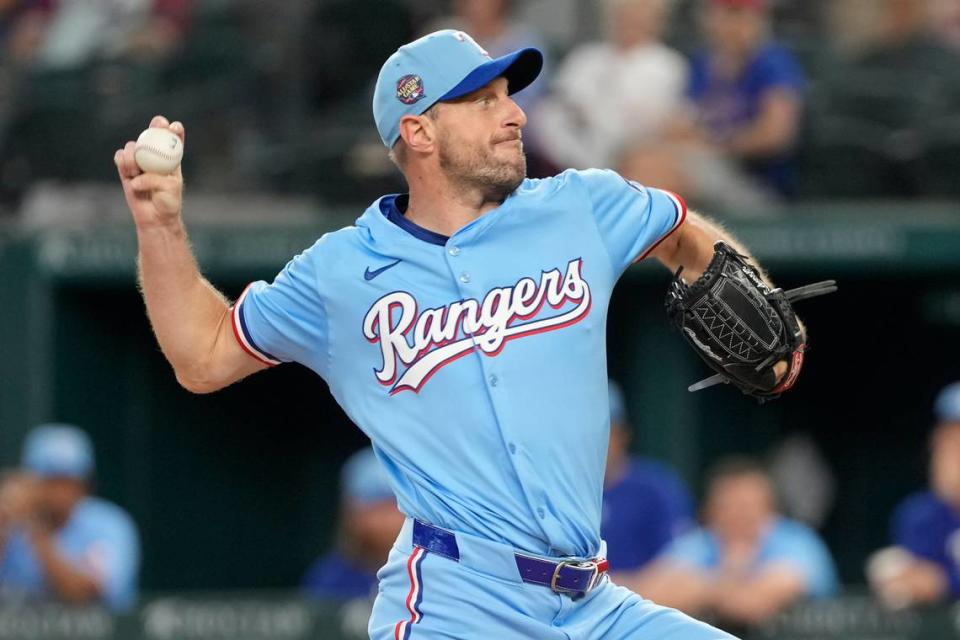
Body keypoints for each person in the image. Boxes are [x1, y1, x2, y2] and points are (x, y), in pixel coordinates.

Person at [114, 27, 808, 639]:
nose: (513, 115)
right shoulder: (341, 272)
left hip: (593, 603)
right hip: (458, 604)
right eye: (482, 101)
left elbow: (683, 233)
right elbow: (201, 355)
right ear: (418, 131)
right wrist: (161, 227)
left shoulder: (579, 205)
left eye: (508, 95)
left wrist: (760, 296)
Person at [635, 458, 838, 631]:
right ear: (710, 510)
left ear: (770, 508)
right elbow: (647, 596)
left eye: (747, 506)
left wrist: (701, 586)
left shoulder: (795, 539)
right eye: (728, 506)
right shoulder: (702, 541)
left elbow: (754, 605)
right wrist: (729, 583)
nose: (738, 515)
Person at [532, 0, 687, 171]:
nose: (630, 23)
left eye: (639, 17)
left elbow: (652, 119)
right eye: (623, 16)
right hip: (572, 148)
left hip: (629, 154)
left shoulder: (667, 65)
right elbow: (561, 99)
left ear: (657, 21)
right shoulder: (586, 56)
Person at [0, 424, 140, 611]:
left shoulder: (109, 524)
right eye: (50, 482)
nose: (60, 493)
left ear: (85, 484)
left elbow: (83, 595)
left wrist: (37, 531)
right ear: (29, 483)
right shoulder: (11, 521)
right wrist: (4, 520)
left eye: (69, 482)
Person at [675, 0, 806, 198]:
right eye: (726, 13)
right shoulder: (703, 62)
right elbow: (684, 122)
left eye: (740, 14)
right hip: (710, 166)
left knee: (663, 170)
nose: (734, 23)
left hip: (758, 184)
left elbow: (775, 135)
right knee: (650, 160)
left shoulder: (773, 62)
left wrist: (715, 145)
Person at [868, 382, 960, 608]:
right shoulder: (919, 514)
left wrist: (946, 582)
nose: (950, 451)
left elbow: (937, 581)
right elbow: (916, 577)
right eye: (947, 439)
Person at [602, 380, 694, 577]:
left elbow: (680, 564)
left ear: (623, 434)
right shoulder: (554, 491)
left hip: (639, 602)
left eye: (605, 432)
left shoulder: (655, 487)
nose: (594, 443)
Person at [303, 447, 405, 601]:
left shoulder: (435, 569)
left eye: (393, 506)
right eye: (375, 508)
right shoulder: (332, 577)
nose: (387, 520)